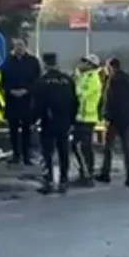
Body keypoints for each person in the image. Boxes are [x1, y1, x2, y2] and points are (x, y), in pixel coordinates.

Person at [32, 52, 77, 194]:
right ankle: (64, 180)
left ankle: (48, 181)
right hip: (64, 121)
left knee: (47, 153)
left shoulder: (41, 81)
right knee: (63, 151)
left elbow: (38, 104)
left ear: (44, 64)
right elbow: (75, 102)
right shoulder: (67, 80)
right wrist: (72, 120)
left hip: (47, 122)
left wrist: (34, 119)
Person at [97, 57, 129, 186]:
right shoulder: (128, 79)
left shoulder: (112, 81)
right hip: (127, 118)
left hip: (114, 119)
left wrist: (106, 115)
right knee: (127, 149)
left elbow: (109, 100)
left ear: (111, 67)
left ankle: (105, 174)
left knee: (108, 147)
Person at [2, 38, 41, 166]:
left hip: (27, 100)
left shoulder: (33, 62)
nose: (18, 47)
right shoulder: (8, 61)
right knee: (13, 129)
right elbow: (3, 79)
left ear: (25, 46)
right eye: (16, 45)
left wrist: (27, 90)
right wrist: (10, 90)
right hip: (12, 99)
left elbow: (37, 80)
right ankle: (15, 155)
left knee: (26, 129)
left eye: (21, 45)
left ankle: (26, 156)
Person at [72, 55, 104, 185]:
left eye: (85, 62)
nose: (82, 64)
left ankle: (88, 174)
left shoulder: (93, 78)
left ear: (91, 65)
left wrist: (76, 83)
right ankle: (84, 173)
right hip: (81, 117)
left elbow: (81, 94)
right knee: (78, 146)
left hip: (87, 117)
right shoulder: (85, 76)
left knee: (83, 147)